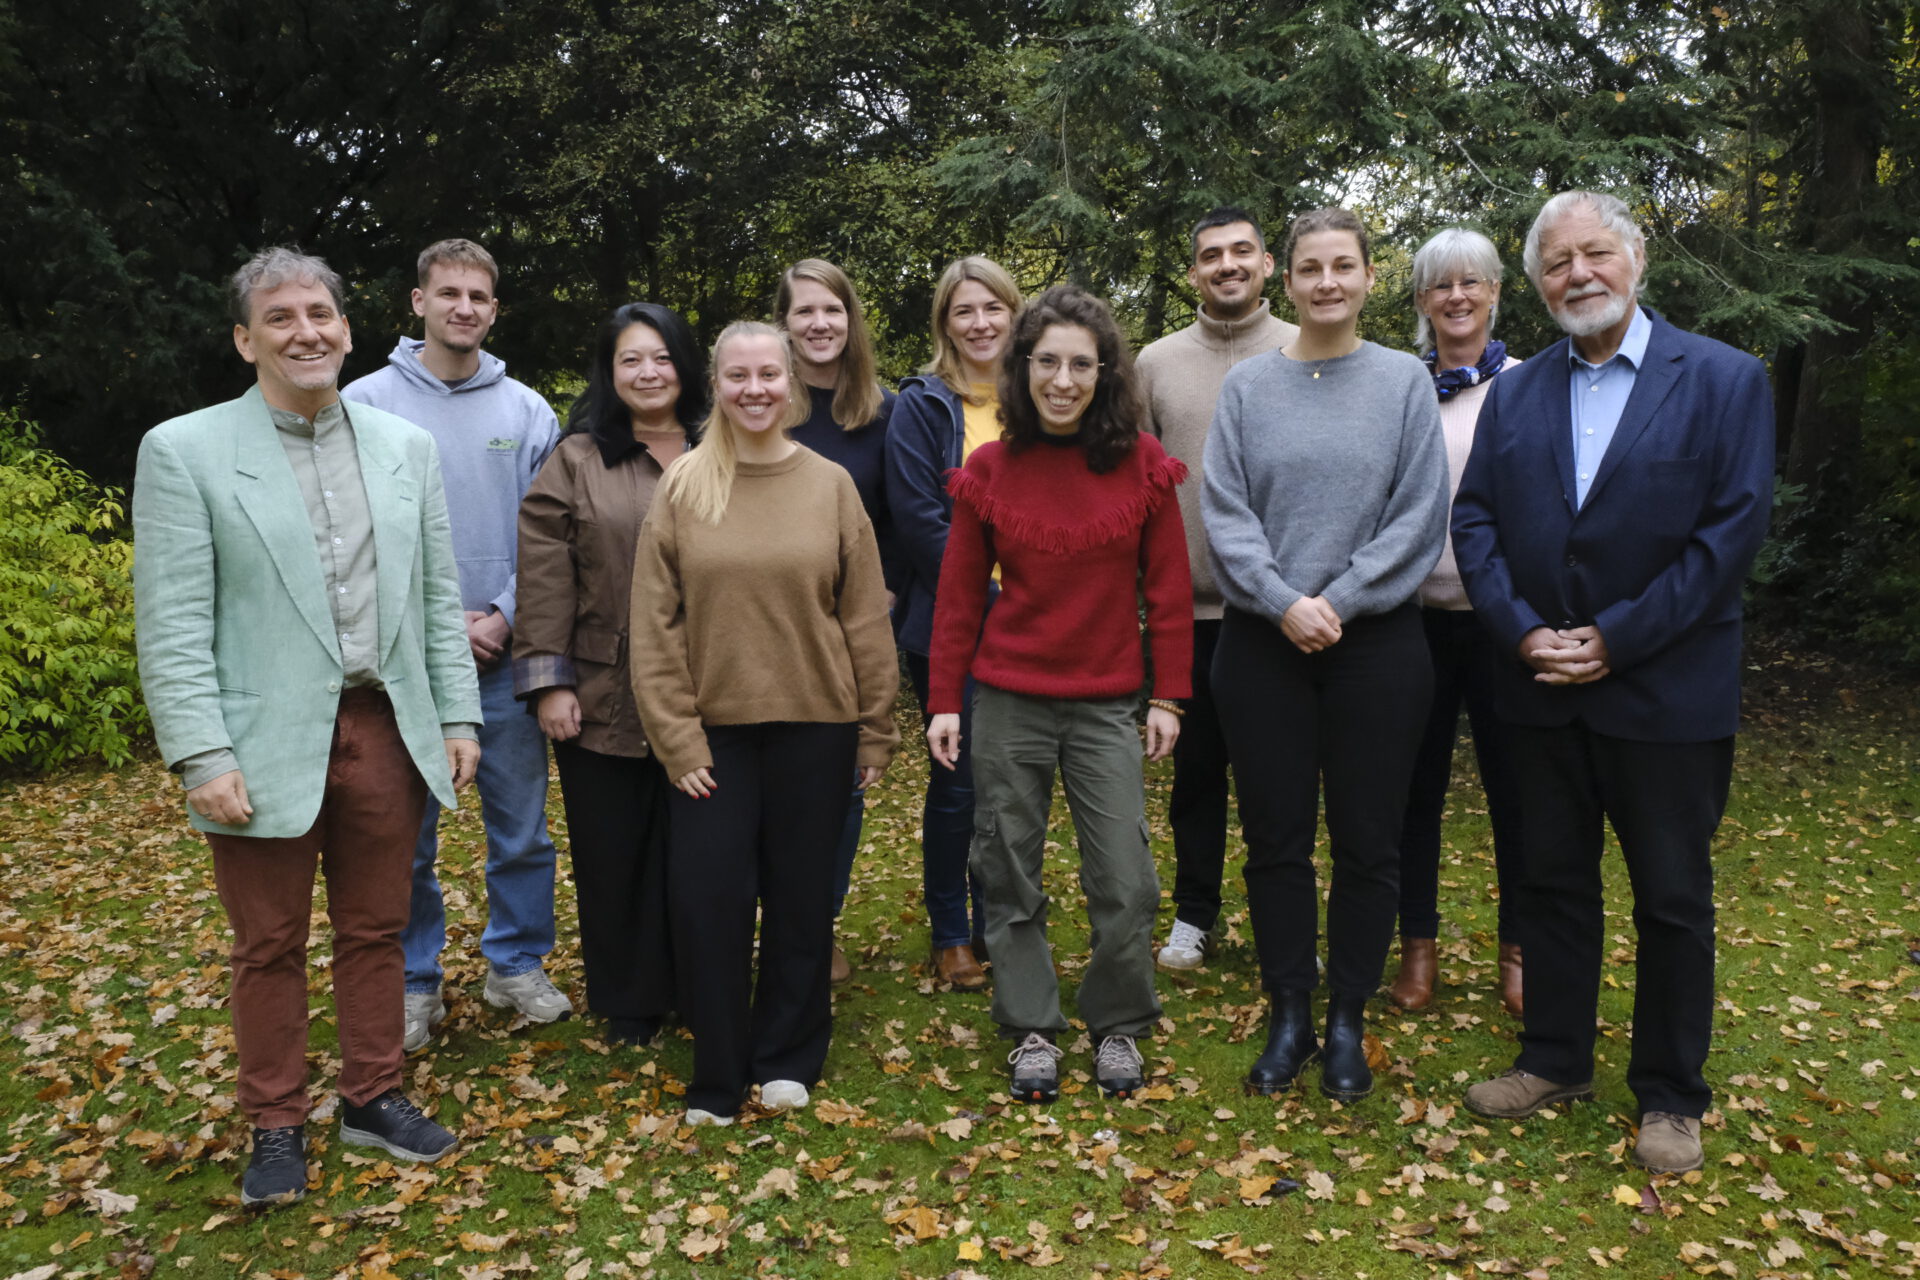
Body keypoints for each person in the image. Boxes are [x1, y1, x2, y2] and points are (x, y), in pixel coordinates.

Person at [133, 247, 481, 1207]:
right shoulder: (184, 450)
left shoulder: (404, 449)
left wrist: (457, 713)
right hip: (258, 742)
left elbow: (436, 594)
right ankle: (275, 1120)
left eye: (320, 313)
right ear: (246, 339)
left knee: (378, 928)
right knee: (268, 943)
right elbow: (170, 623)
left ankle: (373, 1095)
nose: (306, 332)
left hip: (384, 732)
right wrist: (201, 753)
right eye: (280, 317)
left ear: (348, 328)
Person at [1453, 191, 1774, 1173]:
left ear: (1636, 261)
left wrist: (1617, 637)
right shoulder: (1517, 389)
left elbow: (1728, 537)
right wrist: (1519, 632)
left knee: (1671, 895)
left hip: (1665, 691)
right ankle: (1554, 1056)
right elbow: (1476, 523)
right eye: (1558, 262)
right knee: (1550, 882)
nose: (1578, 274)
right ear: (1540, 282)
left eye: (1596, 253)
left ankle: (1672, 1092)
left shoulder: (1724, 380)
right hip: (1540, 688)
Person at [1203, 207, 1450, 1102]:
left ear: (1368, 276)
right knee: (1274, 841)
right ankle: (1291, 1011)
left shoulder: (1401, 383)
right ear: (1286, 277)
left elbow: (1420, 515)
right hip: (1263, 645)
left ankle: (1348, 1015)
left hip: (1375, 645)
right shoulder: (1247, 390)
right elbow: (1225, 514)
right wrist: (1283, 603)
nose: (1327, 284)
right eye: (1311, 268)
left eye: (1343, 266)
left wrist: (1335, 602)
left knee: (1368, 840)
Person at [927, 286, 1192, 1103]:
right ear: (1024, 369)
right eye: (1048, 362)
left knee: (1127, 881)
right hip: (1008, 701)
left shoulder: (1142, 461)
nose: (1064, 379)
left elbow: (1171, 588)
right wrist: (944, 699)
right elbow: (960, 595)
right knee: (1006, 870)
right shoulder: (989, 470)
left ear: (1105, 371)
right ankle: (1031, 1025)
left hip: (1108, 701)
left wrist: (1169, 697)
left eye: (1081, 363)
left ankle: (1117, 1024)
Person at [631, 321, 899, 1126]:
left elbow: (863, 619)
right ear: (716, 383)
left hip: (817, 726)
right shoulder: (683, 486)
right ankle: (717, 1068)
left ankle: (788, 1055)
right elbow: (654, 626)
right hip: (713, 737)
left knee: (799, 900)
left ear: (791, 383)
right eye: (738, 375)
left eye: (768, 376)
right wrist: (675, 737)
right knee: (707, 900)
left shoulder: (830, 485)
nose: (754, 389)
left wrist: (875, 727)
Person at [342, 238, 566, 1049]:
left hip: (505, 658)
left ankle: (515, 964)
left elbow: (551, 536)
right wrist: (441, 628)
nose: (463, 307)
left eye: (478, 296)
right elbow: (353, 535)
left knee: (522, 832)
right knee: (404, 839)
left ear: (494, 309)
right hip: (405, 662)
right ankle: (414, 982)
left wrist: (502, 614)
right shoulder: (363, 404)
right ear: (418, 302)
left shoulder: (528, 412)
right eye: (448, 294)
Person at [514, 303, 705, 1047]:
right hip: (600, 690)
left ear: (684, 365)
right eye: (631, 360)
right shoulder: (578, 459)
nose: (648, 372)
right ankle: (629, 1000)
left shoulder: (722, 446)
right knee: (614, 849)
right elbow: (544, 571)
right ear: (611, 371)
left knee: (696, 849)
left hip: (706, 689)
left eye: (661, 357)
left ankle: (697, 982)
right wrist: (549, 680)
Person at [1135, 206, 1299, 971]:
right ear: (1193, 270)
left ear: (1269, 265)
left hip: (1283, 613)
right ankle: (1194, 914)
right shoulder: (1156, 364)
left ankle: (1281, 917)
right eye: (1211, 255)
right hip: (1189, 612)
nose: (1227, 265)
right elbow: (1132, 485)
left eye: (1242, 252)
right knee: (1195, 777)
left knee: (1280, 778)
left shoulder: (1308, 349)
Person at [1385, 227, 1527, 1016]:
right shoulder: (1400, 387)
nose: (1457, 297)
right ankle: (1418, 950)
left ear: (1497, 292)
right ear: (1421, 302)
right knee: (1416, 792)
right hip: (1415, 619)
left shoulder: (1531, 383)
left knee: (1517, 791)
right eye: (1441, 285)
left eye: (1472, 282)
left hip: (1504, 622)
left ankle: (1519, 951)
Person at [884, 256, 1024, 992]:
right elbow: (919, 521)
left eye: (993, 308)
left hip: (1039, 627)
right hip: (954, 624)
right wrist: (996, 600)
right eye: (964, 311)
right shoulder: (922, 406)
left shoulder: (1040, 397)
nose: (980, 323)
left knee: (1016, 784)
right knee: (962, 784)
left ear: (1013, 313)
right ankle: (950, 932)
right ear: (945, 323)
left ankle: (1002, 916)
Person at [776, 258, 902, 986]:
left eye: (833, 310)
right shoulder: (758, 404)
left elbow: (906, 521)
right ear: (784, 324)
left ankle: (815, 926)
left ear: (851, 320)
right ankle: (769, 916)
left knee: (840, 789)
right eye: (804, 312)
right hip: (768, 633)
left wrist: (885, 601)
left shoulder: (883, 413)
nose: (820, 323)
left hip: (850, 639)